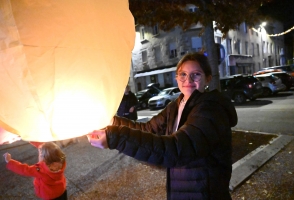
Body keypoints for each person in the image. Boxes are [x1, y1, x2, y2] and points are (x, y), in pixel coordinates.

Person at [87, 52, 238, 200]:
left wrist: (115, 137)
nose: (188, 79)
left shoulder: (211, 109)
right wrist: (111, 121)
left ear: (208, 79)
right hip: (183, 191)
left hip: (205, 193)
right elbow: (147, 129)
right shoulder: (177, 105)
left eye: (196, 74)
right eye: (183, 74)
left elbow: (176, 150)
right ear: (176, 78)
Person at [3, 142, 67, 200]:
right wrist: (28, 137)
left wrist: (10, 161)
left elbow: (25, 169)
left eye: (40, 153)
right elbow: (43, 146)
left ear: (43, 158)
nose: (39, 153)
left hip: (50, 195)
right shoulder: (60, 161)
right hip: (61, 190)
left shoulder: (40, 169)